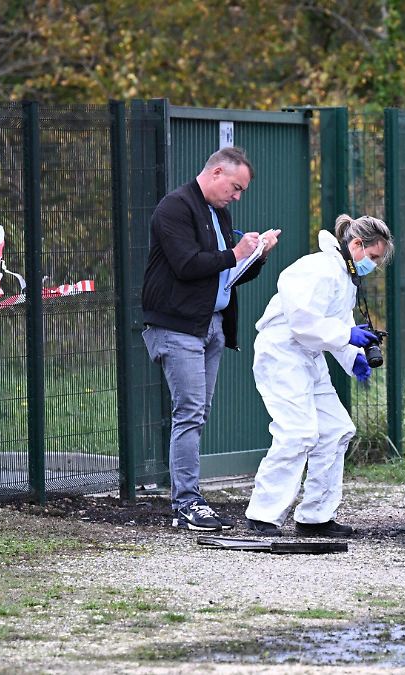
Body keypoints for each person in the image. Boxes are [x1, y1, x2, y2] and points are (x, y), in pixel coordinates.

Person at [141, 146, 281, 531]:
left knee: (197, 414)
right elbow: (187, 265)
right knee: (189, 413)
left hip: (211, 325)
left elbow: (224, 276)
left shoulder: (218, 212)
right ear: (217, 172)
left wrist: (257, 256)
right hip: (177, 326)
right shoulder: (175, 207)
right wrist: (236, 252)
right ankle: (187, 502)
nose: (236, 196)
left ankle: (189, 497)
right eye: (235, 188)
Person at [244, 214, 394, 537]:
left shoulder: (344, 279)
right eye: (373, 257)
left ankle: (315, 517)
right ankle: (263, 514)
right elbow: (302, 323)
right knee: (298, 431)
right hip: (282, 352)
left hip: (307, 357)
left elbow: (334, 326)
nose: (375, 265)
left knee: (336, 430)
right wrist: (347, 337)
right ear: (356, 245)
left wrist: (353, 357)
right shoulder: (317, 268)